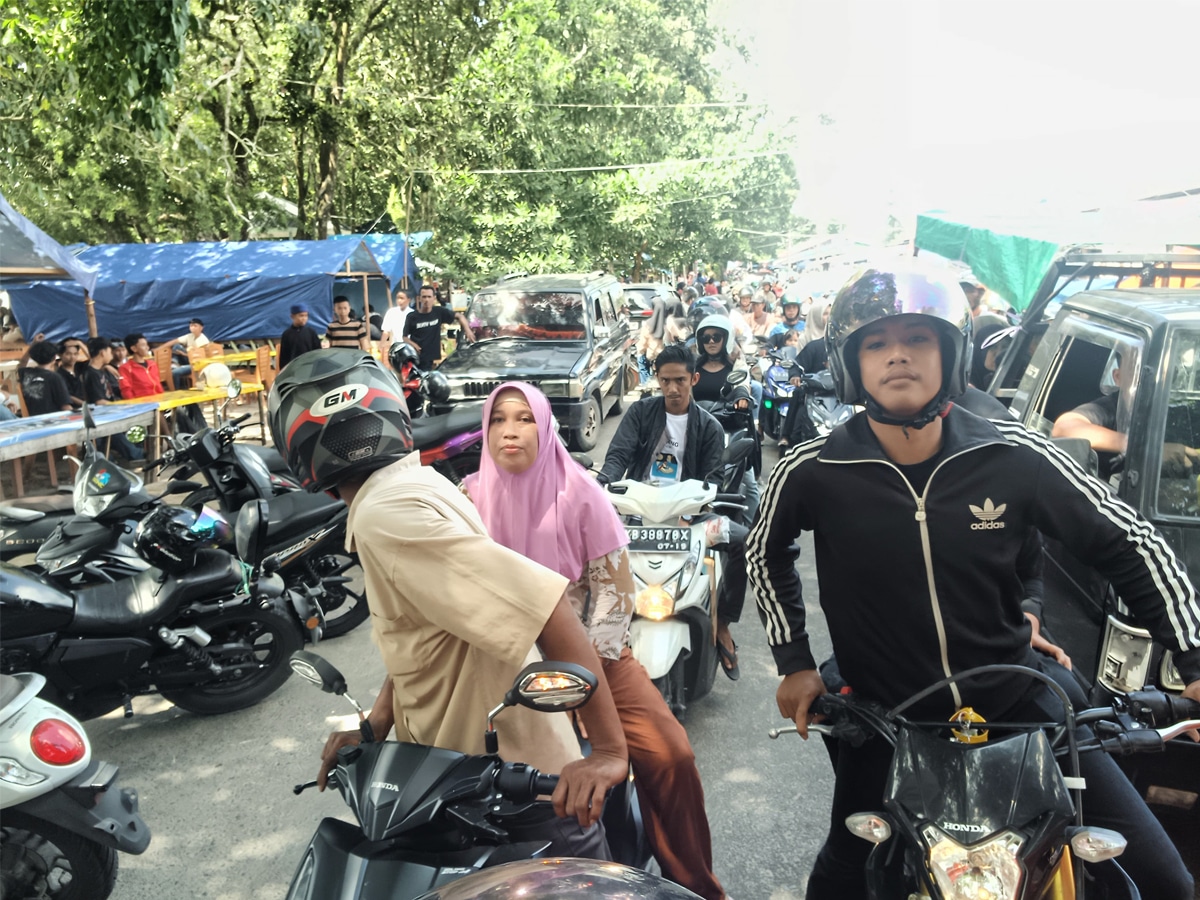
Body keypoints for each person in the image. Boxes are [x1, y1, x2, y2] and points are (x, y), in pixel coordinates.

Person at [747, 261, 1200, 900]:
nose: (897, 355)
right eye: (876, 342)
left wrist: (1194, 654)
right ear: (852, 362)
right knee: (840, 884)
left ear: (950, 352)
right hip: (885, 716)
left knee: (1165, 880)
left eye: (918, 339)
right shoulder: (816, 465)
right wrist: (794, 661)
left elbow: (1128, 539)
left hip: (1021, 705)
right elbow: (765, 548)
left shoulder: (1013, 452)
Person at [267, 349, 627, 859]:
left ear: (296, 442)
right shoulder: (412, 485)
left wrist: (610, 751)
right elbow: (431, 623)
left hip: (513, 797)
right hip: (457, 781)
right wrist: (376, 723)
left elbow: (544, 604)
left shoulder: (385, 516)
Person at [465, 382, 725, 900]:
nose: (510, 431)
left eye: (524, 419)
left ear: (545, 427)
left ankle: (694, 885)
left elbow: (614, 596)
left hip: (596, 663)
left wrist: (579, 678)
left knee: (671, 756)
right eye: (498, 420)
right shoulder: (467, 499)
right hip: (502, 667)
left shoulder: (579, 492)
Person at [597, 345, 746, 679]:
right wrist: (602, 483)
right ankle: (597, 635)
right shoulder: (640, 413)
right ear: (658, 381)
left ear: (693, 378)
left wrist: (693, 512)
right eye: (665, 381)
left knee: (741, 542)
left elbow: (713, 478)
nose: (673, 389)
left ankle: (722, 624)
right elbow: (618, 455)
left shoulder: (708, 426)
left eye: (680, 380)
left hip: (690, 516)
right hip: (637, 510)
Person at [83, 337, 144, 460]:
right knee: (118, 430)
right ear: (102, 352)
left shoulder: (100, 370)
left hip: (109, 411)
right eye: (110, 351)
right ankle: (136, 454)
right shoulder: (92, 374)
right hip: (101, 415)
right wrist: (121, 406)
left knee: (138, 422)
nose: (111, 354)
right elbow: (99, 402)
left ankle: (138, 451)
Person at [403, 284, 474, 369]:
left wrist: (468, 330)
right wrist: (414, 345)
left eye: (429, 297)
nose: (427, 300)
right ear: (419, 298)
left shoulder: (439, 312)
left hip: (433, 358)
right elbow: (405, 337)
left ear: (434, 298)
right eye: (424, 297)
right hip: (417, 358)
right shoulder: (412, 316)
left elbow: (460, 316)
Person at [19, 340, 72, 416]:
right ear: (54, 358)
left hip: (32, 419)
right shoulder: (55, 377)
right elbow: (65, 407)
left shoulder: (26, 373)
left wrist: (33, 344)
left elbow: (22, 363)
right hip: (53, 420)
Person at [163, 317, 211, 385]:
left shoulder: (203, 340)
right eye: (191, 325)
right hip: (188, 360)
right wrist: (159, 349)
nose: (192, 327)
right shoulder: (190, 336)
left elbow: (200, 358)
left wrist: (183, 354)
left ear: (201, 328)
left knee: (174, 373)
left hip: (197, 364)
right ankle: (174, 364)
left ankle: (176, 391)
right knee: (177, 346)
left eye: (195, 326)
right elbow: (175, 341)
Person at [277, 304, 322, 371]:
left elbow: (317, 351)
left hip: (309, 367)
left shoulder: (311, 332)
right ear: (292, 316)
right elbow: (284, 356)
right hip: (293, 369)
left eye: (306, 315)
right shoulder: (287, 334)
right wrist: (283, 370)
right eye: (301, 315)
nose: (304, 318)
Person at [379, 289, 412, 364]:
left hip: (409, 347)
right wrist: (381, 345)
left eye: (402, 298)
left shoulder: (412, 313)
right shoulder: (391, 312)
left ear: (408, 300)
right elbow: (386, 331)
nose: (399, 301)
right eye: (398, 298)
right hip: (395, 347)